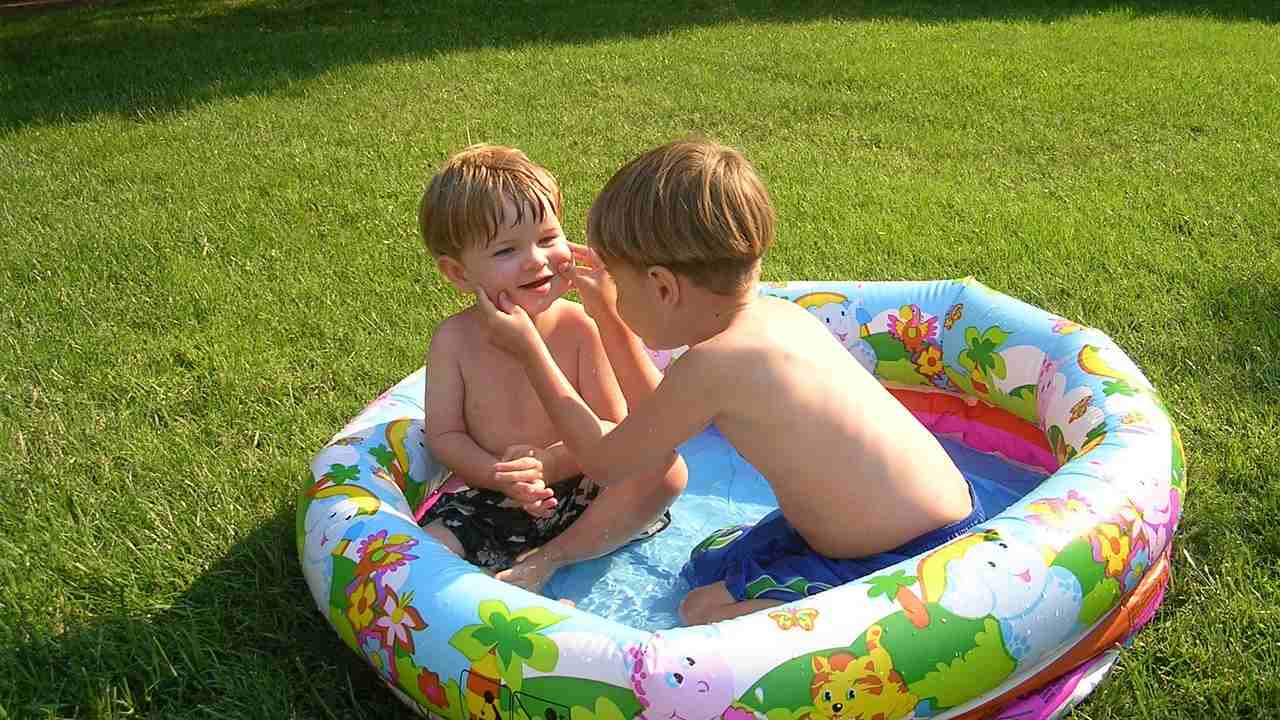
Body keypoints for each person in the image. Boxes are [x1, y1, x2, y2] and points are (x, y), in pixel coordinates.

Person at [474, 138, 985, 624]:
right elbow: (659, 418)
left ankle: (889, 620)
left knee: (699, 612)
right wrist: (609, 316)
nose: (618, 302)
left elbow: (609, 463)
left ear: (662, 287)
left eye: (622, 291)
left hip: (909, 560)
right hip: (928, 519)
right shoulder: (773, 320)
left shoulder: (717, 364)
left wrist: (531, 352)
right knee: (706, 564)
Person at [416, 143, 687, 594]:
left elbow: (617, 430)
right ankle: (487, 592)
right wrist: (498, 474)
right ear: (459, 274)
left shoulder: (579, 326)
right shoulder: (453, 341)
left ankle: (548, 559)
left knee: (665, 471)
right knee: (428, 550)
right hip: (494, 498)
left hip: (585, 492)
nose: (536, 260)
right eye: (506, 250)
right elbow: (445, 436)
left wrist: (550, 461)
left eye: (547, 239)